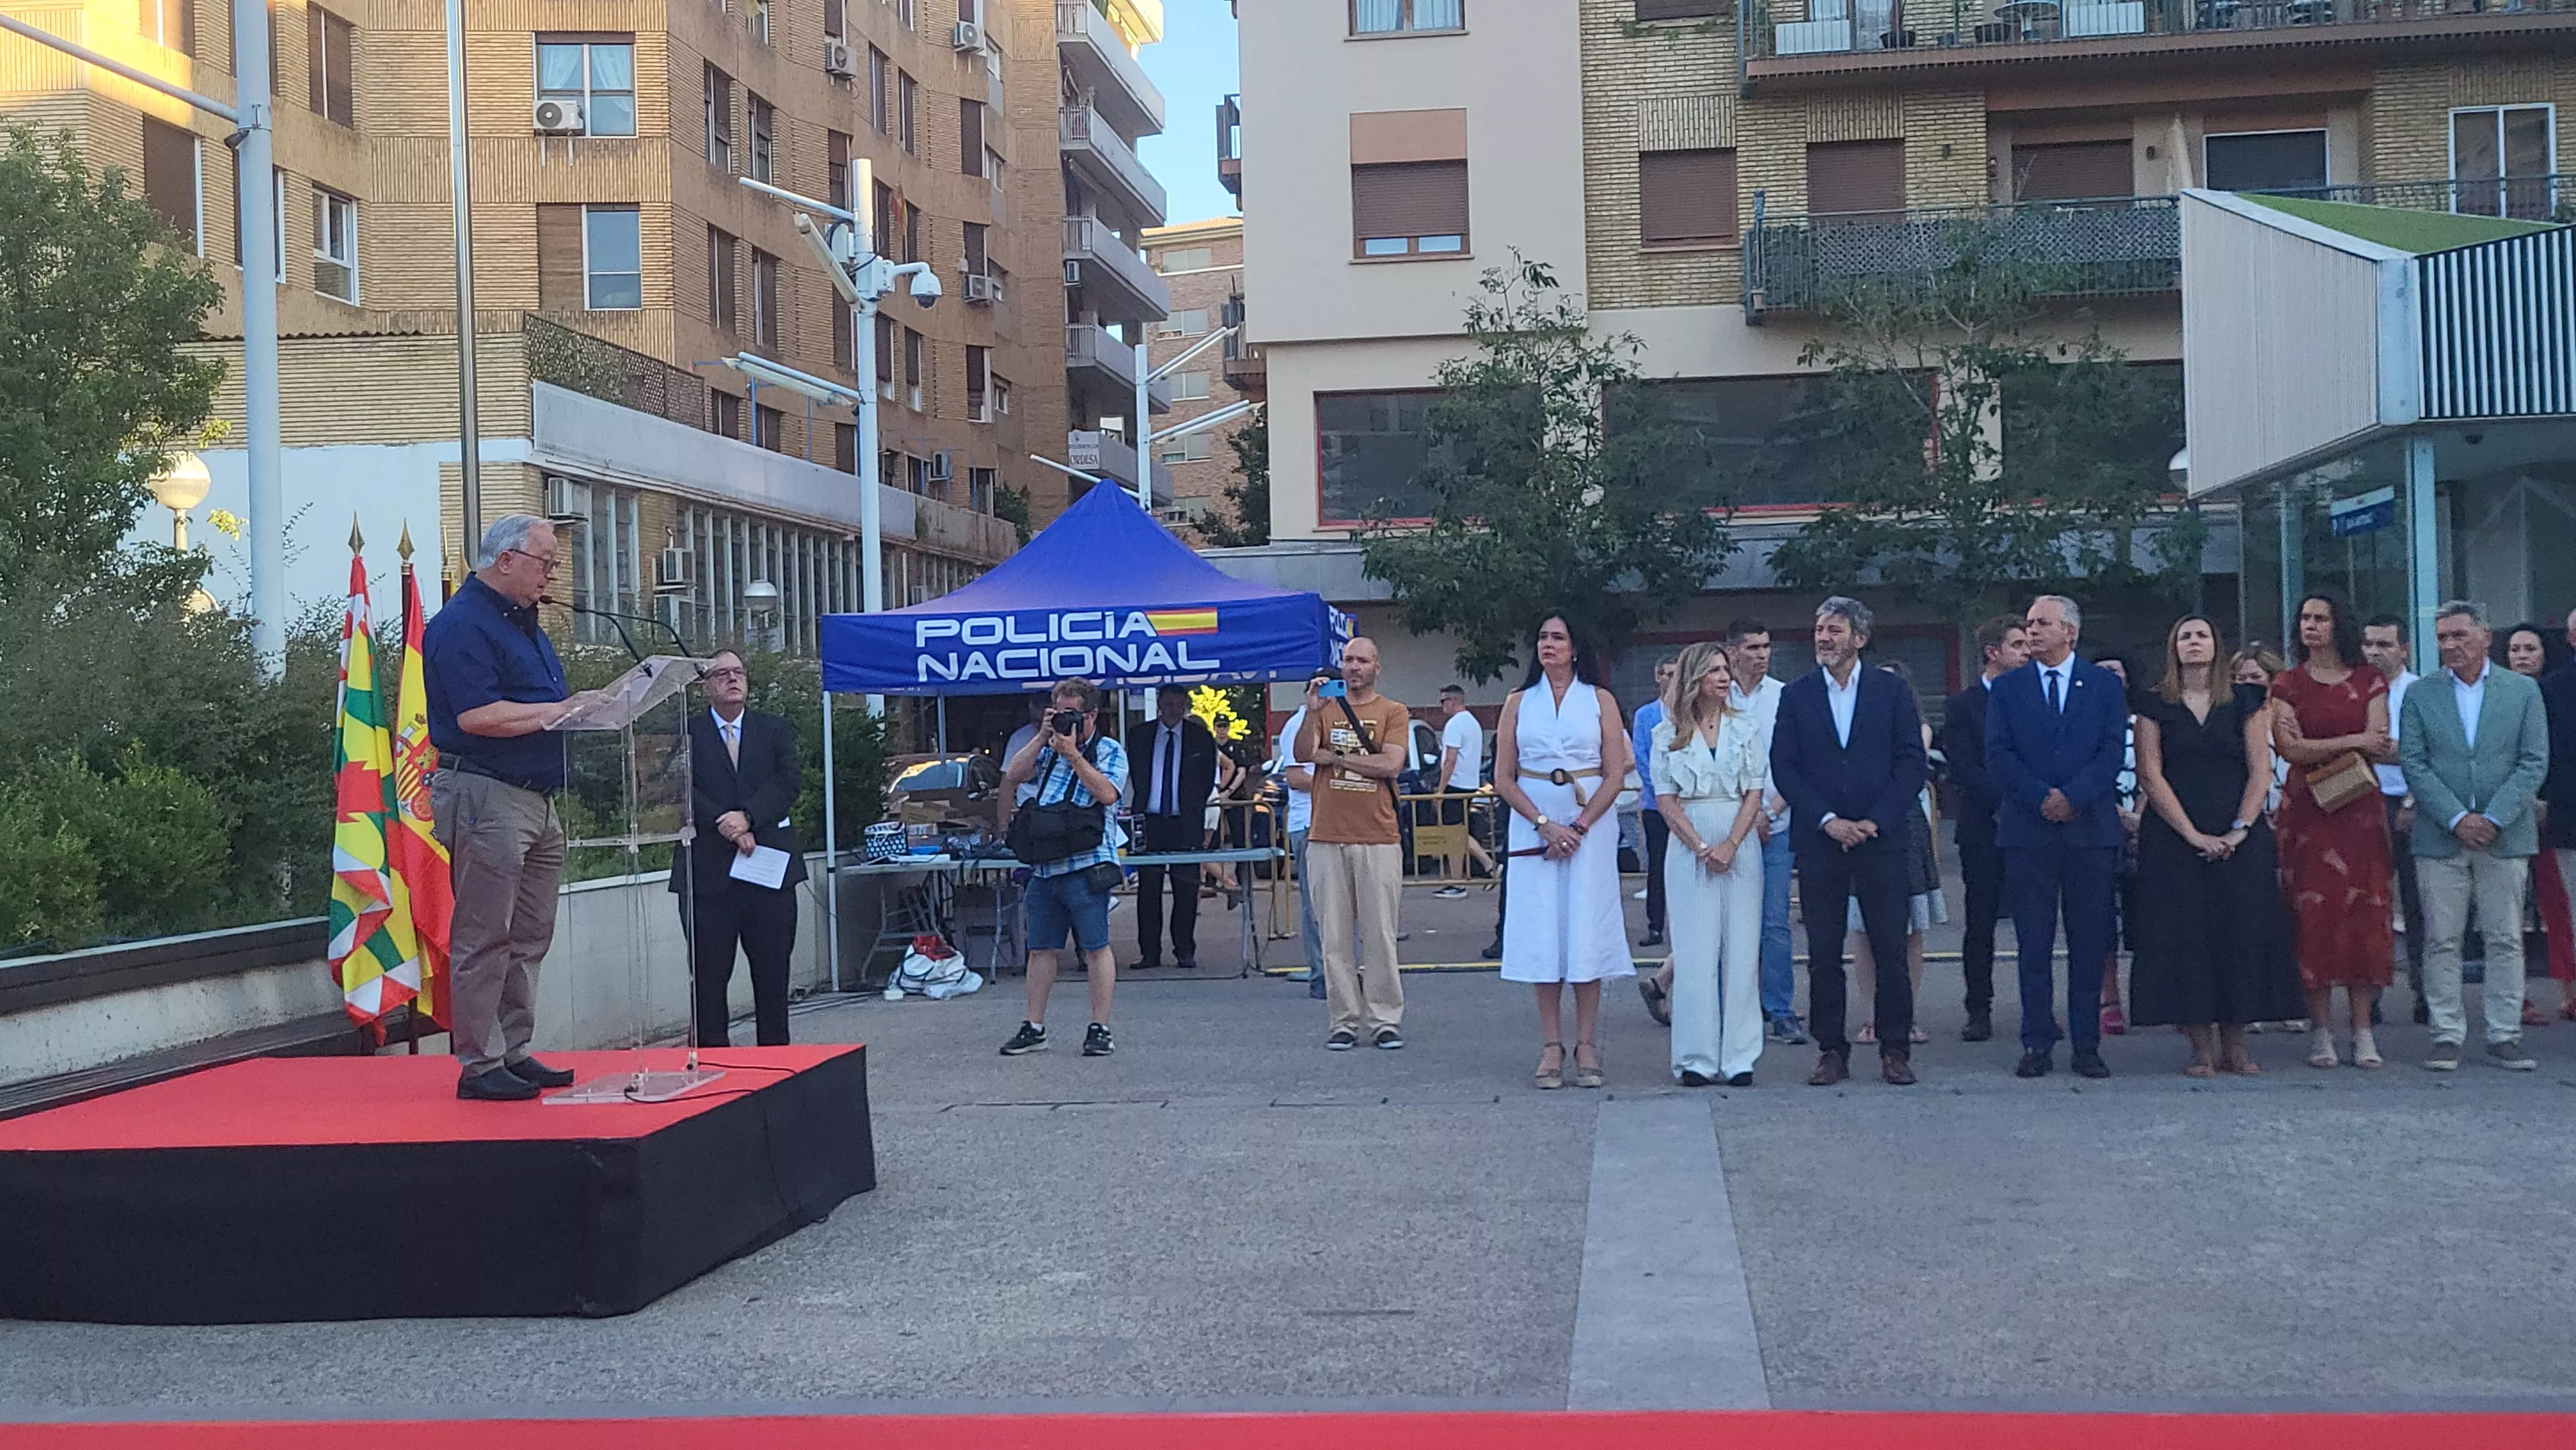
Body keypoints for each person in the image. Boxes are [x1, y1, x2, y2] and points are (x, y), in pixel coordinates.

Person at [423, 514, 601, 1102]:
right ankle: (479, 1062)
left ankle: (515, 1049)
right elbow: (477, 717)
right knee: (485, 934)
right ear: (505, 560)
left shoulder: (525, 624)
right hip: (484, 793)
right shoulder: (462, 625)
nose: (551, 574)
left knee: (530, 936)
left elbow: (543, 703)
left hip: (535, 799)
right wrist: (560, 712)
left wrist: (587, 708)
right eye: (545, 561)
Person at [2128, 617, 2304, 1075]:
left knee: (2240, 935)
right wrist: (2192, 835)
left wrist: (2239, 829)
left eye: (2202, 635)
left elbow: (2261, 770)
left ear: (2217, 646)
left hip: (2239, 836)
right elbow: (2150, 773)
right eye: (2184, 635)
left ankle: (2237, 1045)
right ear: (2174, 648)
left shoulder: (2246, 700)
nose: (2193, 642)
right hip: (2174, 837)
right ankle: (2200, 1048)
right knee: (2186, 936)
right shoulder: (2154, 704)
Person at [1770, 596, 1927, 1087]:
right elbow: (1786, 767)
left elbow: (1910, 764)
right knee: (1822, 950)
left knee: (1889, 947)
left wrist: (1874, 820)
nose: (1823, 638)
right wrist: (1827, 820)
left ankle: (1894, 1047)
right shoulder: (1797, 695)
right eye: (1819, 629)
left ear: (1859, 638)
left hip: (1881, 839)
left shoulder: (1892, 691)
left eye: (1834, 630)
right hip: (1821, 841)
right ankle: (1831, 1049)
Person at [2402, 603, 2552, 1071]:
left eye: (2459, 635)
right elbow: (2414, 761)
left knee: (2505, 938)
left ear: (2486, 636)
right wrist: (2456, 818)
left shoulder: (2523, 691)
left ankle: (2504, 1033)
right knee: (2441, 940)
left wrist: (2493, 817)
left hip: (2504, 836)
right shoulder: (2421, 695)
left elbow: (2533, 761)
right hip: (2440, 836)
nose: (2450, 646)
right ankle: (2447, 1034)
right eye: (2443, 637)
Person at [1987, 594, 2128, 1081]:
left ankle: (2087, 1044)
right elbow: (1999, 754)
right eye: (2028, 624)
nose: (2032, 632)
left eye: (2042, 623)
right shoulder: (2008, 689)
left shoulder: (2104, 686)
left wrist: (2074, 796)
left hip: (2089, 830)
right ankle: (2037, 1041)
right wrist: (2041, 797)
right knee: (2033, 942)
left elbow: (2112, 751)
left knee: (2090, 941)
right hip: (2029, 830)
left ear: (2070, 630)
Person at [1495, 614, 1634, 1088]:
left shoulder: (1600, 700)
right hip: (1534, 822)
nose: (1548, 645)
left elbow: (1615, 773)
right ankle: (1551, 1044)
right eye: (1542, 637)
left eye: (1558, 638)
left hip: (1588, 825)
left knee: (1585, 927)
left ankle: (1587, 1042)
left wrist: (1577, 826)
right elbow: (1503, 777)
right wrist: (1544, 825)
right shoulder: (1518, 702)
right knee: (1542, 930)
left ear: (1576, 648)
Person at [2271, 590, 2397, 1069]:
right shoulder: (2287, 683)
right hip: (2307, 814)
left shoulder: (2368, 679)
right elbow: (2289, 749)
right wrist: (2351, 742)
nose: (2311, 626)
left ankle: (2363, 1030)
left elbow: (2380, 741)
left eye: (2320, 618)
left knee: (2365, 918)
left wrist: (2326, 744)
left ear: (2337, 624)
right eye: (2304, 618)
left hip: (2359, 812)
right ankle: (2321, 1030)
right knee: (2313, 920)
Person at [670, 649, 804, 1049]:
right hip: (708, 876)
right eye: (722, 674)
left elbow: (788, 784)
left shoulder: (774, 730)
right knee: (709, 979)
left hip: (768, 872)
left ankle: (774, 1067)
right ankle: (714, 1066)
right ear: (705, 686)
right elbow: (677, 788)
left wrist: (747, 817)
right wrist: (725, 824)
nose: (733, 679)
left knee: (772, 975)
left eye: (739, 672)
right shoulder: (684, 733)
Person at [1651, 643, 1768, 1087]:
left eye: (1726, 669)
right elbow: (1665, 799)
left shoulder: (1746, 727)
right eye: (1714, 670)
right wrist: (1702, 847)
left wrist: (1732, 844)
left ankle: (1740, 1055)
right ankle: (1695, 1056)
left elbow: (1754, 791)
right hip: (1690, 842)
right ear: (1695, 677)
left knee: (1742, 950)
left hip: (1739, 839)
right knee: (1695, 951)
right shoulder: (1667, 734)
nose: (1723, 677)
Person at [997, 678, 1128, 1058]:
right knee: (1040, 949)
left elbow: (1107, 794)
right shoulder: (1048, 747)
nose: (1066, 721)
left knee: (1095, 947)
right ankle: (1034, 1026)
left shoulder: (1108, 750)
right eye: (1060, 712)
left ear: (1091, 715)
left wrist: (1074, 755)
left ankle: (1100, 1027)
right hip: (1046, 867)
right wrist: (1042, 737)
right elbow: (1013, 775)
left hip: (1087, 866)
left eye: (1073, 714)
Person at [1296, 639, 1412, 1050]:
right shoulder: (1325, 709)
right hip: (1326, 836)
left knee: (1380, 934)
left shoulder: (1393, 712)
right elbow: (1303, 754)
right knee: (1334, 938)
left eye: (1362, 661)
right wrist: (1312, 716)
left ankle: (1385, 1017)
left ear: (1377, 667)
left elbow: (1391, 764)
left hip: (1378, 836)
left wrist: (1340, 759)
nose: (1354, 667)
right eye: (1348, 660)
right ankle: (1343, 1020)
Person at [1850, 659, 1942, 1048]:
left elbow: (1901, 768)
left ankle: (1905, 1016)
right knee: (1864, 931)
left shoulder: (1917, 728)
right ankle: (1872, 1016)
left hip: (1903, 824)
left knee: (1910, 930)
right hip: (1857, 822)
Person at [1943, 616, 2027, 1042]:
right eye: (2017, 645)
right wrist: (2007, 800)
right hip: (1984, 828)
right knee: (1981, 923)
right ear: (1993, 653)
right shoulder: (1964, 706)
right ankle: (1979, 1008)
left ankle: (2038, 1008)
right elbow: (1962, 766)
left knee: (2037, 921)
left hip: (2033, 827)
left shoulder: (2037, 699)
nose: (2026, 652)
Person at [1725, 619, 1806, 1046]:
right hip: (1729, 824)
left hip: (1777, 822)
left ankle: (1779, 1007)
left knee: (1774, 921)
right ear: (1733, 650)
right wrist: (1744, 815)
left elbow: (1796, 761)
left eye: (1767, 646)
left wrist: (1771, 811)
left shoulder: (1784, 696)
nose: (1762, 654)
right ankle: (1734, 1004)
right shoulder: (1718, 695)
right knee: (1731, 920)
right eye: (1753, 647)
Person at [2500, 623, 2576, 1021]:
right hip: (2500, 811)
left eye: (2530, 648)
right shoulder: (2493, 696)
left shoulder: (2551, 693)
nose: (2522, 656)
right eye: (2515, 649)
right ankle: (2519, 995)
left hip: (2546, 813)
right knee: (2507, 910)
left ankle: (2569, 989)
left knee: (2555, 906)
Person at [2362, 614, 2429, 1024]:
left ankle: (2425, 993)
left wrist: (2411, 801)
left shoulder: (2420, 692)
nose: (2374, 653)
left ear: (2404, 648)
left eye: (2384, 645)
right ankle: (2369, 997)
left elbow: (2427, 754)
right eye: (2369, 644)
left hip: (2409, 802)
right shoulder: (2354, 690)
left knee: (2420, 904)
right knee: (2371, 904)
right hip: (2361, 800)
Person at [1125, 686, 1217, 972]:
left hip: (1184, 821)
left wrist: (1193, 810)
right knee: (1148, 891)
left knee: (1186, 890)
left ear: (1186, 706)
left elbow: (1206, 780)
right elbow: (1136, 773)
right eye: (1168, 704)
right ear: (1160, 706)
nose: (1174, 709)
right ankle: (1149, 953)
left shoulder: (1201, 738)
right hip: (1150, 820)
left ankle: (1185, 950)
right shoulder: (1140, 736)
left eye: (1179, 704)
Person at [2091, 652, 2143, 1039]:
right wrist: (2114, 816)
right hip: (2099, 826)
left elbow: (2157, 770)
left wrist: (2140, 818)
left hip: (2150, 827)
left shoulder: (2145, 720)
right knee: (2102, 922)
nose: (2109, 676)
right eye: (2101, 671)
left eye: (2116, 669)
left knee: (2152, 921)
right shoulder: (2088, 721)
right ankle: (2109, 1001)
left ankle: (2153, 998)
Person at [1276, 687, 1328, 1001]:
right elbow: (1295, 777)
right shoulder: (1298, 724)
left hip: (1340, 821)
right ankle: (1320, 973)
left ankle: (1340, 970)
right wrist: (1338, 784)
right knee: (1315, 904)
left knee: (1341, 902)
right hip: (1309, 822)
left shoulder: (1338, 722)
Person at [1632, 655, 1679, 954]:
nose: (1673, 679)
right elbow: (1642, 756)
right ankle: (1655, 924)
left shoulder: (1690, 710)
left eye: (1678, 674)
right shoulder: (1646, 715)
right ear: (1658, 677)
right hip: (1655, 804)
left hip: (1687, 803)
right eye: (1668, 674)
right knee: (1658, 864)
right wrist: (1662, 792)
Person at [1433, 684, 1496, 899]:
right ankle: (1457, 880)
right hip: (1469, 783)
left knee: (1455, 833)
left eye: (1443, 701)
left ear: (1452, 701)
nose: (1441, 706)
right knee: (1456, 832)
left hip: (1455, 784)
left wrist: (1440, 791)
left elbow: (1450, 760)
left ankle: (1486, 866)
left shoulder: (1455, 724)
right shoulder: (1473, 723)